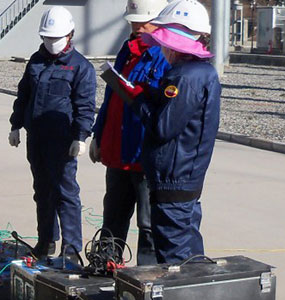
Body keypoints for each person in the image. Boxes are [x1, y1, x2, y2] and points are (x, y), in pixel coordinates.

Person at [129, 0, 221, 263]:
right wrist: (154, 94)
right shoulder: (199, 73)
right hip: (184, 179)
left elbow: (163, 127)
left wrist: (137, 100)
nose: (164, 50)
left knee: (175, 261)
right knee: (190, 257)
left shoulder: (184, 77)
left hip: (174, 179)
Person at [8, 6, 96, 261]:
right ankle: (46, 240)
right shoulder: (36, 61)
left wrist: (80, 136)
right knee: (42, 191)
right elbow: (24, 95)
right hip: (37, 138)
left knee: (65, 193)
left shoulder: (80, 68)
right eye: (47, 38)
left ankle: (71, 248)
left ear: (70, 35)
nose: (51, 43)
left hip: (63, 142)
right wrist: (16, 125)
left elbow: (85, 106)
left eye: (56, 38)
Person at [90, 0, 170, 265]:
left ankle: (146, 282)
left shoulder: (166, 55)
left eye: (143, 21)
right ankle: (107, 266)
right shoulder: (128, 49)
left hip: (144, 155)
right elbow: (111, 95)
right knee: (113, 216)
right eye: (134, 22)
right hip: (118, 153)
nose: (137, 27)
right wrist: (98, 135)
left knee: (147, 225)